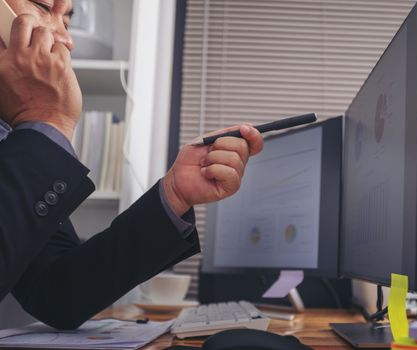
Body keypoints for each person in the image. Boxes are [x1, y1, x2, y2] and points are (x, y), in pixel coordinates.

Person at [0, 0, 263, 329]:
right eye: (43, 6)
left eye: (66, 20)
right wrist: (47, 119)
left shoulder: (12, 136)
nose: (66, 39)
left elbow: (56, 293)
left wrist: (174, 195)